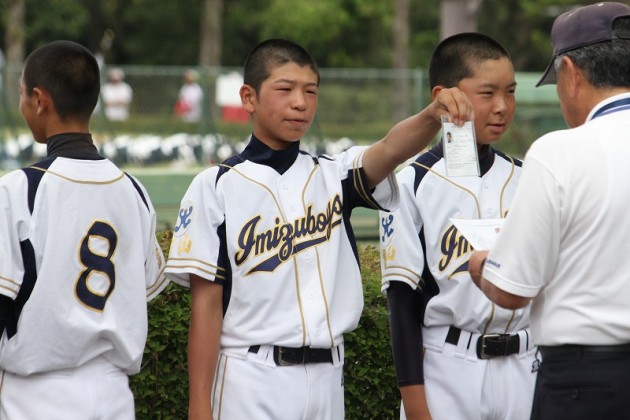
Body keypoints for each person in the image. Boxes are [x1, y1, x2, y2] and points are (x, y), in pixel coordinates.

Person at [164, 38, 473, 420]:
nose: (300, 102)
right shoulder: (215, 186)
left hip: (329, 376)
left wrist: (431, 115)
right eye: (285, 89)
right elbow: (206, 307)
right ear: (248, 97)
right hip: (251, 374)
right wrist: (199, 406)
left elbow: (391, 148)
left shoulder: (334, 174)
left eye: (310, 91)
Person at [468, 3, 630, 419]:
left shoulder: (561, 150)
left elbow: (511, 290)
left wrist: (482, 265)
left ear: (572, 73)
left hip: (589, 379)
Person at [0, 40, 169, 419]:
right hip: (113, 393)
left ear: (40, 100)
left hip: (37, 394)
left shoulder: (20, 189)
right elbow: (144, 291)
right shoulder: (133, 188)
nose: (22, 104)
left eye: (22, 94)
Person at [380, 32, 537, 420]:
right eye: (487, 93)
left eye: (511, 92)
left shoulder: (527, 177)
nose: (502, 107)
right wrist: (415, 405)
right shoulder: (412, 182)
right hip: (448, 366)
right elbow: (402, 301)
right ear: (444, 95)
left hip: (524, 363)